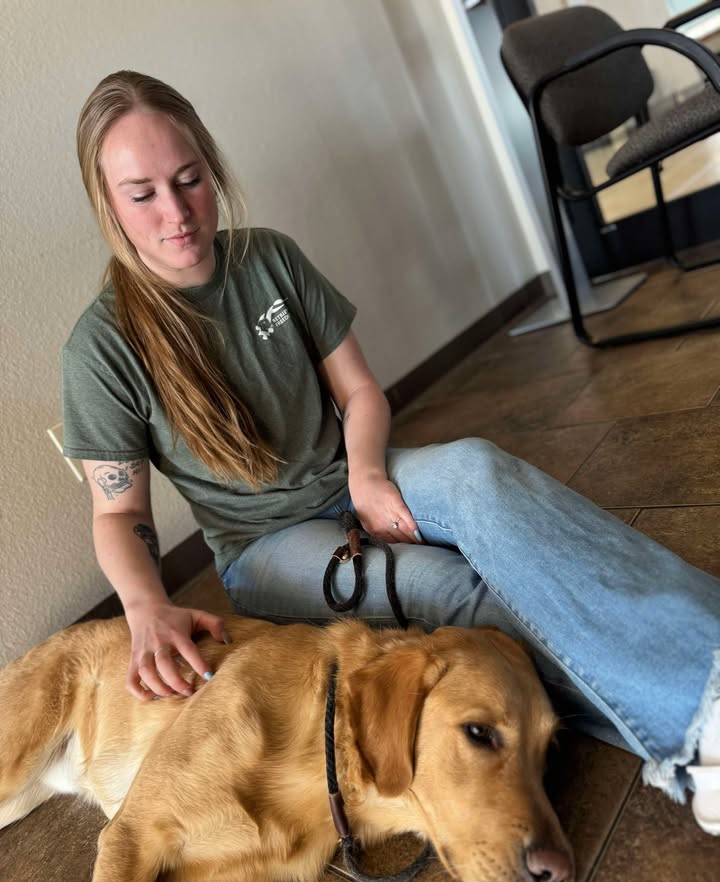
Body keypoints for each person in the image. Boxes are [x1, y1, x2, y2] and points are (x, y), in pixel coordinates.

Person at [63, 70, 720, 834]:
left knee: (478, 470)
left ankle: (706, 656)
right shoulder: (101, 345)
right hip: (269, 546)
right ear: (107, 203)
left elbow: (362, 394)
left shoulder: (269, 258)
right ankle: (693, 737)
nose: (176, 213)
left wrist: (369, 476)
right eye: (142, 194)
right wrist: (144, 607)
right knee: (454, 589)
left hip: (354, 473)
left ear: (211, 168)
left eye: (190, 180)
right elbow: (119, 512)